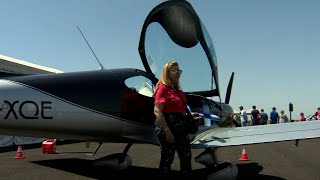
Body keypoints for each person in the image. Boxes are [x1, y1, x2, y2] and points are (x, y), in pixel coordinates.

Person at [153, 61, 193, 177]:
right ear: (167, 73)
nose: (177, 73)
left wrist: (189, 115)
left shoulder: (177, 90)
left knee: (186, 155)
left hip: (181, 126)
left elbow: (179, 108)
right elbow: (157, 111)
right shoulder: (162, 88)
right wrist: (167, 132)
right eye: (174, 70)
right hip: (168, 126)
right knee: (167, 157)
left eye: (179, 71)